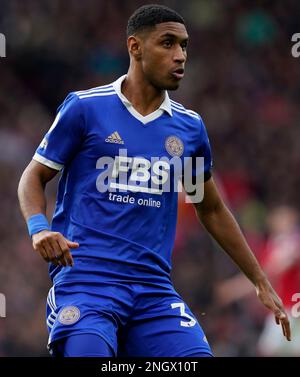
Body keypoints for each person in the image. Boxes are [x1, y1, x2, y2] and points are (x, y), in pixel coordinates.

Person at [17, 4, 291, 357]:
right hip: (88, 285)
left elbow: (210, 208)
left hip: (153, 293)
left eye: (184, 45)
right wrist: (39, 228)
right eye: (167, 43)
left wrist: (259, 280)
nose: (180, 56)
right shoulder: (86, 109)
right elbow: (33, 176)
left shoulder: (188, 129)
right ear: (135, 47)